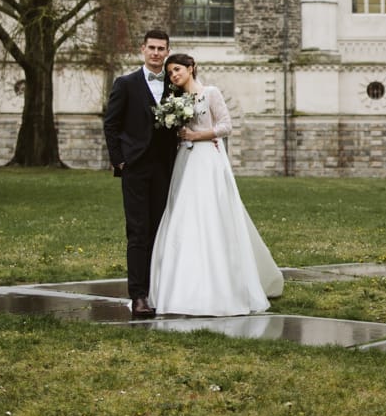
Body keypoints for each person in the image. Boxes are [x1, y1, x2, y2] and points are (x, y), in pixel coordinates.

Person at [148, 53, 284, 316]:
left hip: (206, 159)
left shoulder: (210, 93)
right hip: (185, 159)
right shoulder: (175, 100)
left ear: (191, 68)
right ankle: (179, 284)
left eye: (177, 70)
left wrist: (197, 135)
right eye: (170, 72)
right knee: (183, 214)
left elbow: (226, 126)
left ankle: (221, 283)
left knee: (208, 213)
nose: (174, 75)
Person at [102, 28, 178, 320]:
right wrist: (119, 161)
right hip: (135, 168)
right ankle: (139, 296)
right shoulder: (126, 84)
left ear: (167, 52)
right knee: (137, 231)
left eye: (161, 48)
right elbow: (111, 124)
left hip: (166, 168)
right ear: (142, 49)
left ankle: (160, 290)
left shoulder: (175, 86)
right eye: (152, 48)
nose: (156, 53)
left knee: (160, 230)